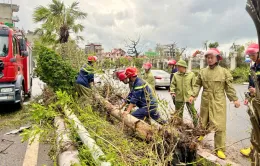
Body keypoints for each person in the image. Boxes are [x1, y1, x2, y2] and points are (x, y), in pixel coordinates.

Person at [189, 48, 240, 159]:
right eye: (208, 57)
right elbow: (197, 84)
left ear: (217, 58)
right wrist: (193, 95)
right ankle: (201, 134)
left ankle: (219, 149)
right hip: (206, 99)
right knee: (203, 120)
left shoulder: (224, 72)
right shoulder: (202, 71)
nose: (209, 59)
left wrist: (234, 99)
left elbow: (229, 87)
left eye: (211, 57)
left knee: (220, 125)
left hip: (218, 100)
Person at [240, 43, 260, 157]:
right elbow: (251, 84)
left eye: (253, 54)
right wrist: (248, 96)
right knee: (255, 123)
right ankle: (253, 149)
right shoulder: (253, 67)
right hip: (255, 100)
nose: (251, 57)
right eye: (250, 55)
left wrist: (256, 91)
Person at [169, 59, 198, 127]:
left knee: (192, 112)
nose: (178, 68)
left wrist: (193, 95)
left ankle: (196, 126)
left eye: (179, 66)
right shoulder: (175, 75)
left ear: (184, 67)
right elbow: (172, 84)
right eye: (177, 66)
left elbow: (194, 85)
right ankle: (180, 127)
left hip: (189, 97)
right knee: (179, 113)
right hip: (179, 97)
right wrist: (172, 92)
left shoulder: (191, 74)